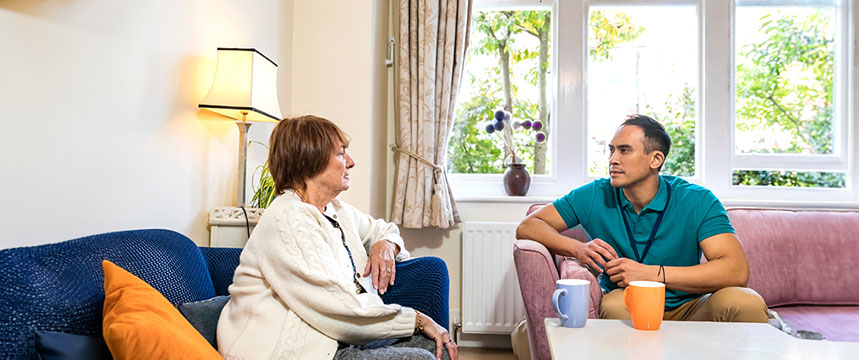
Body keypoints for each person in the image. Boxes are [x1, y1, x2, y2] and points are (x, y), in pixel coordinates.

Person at [217, 115, 458, 360]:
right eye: (341, 154)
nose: (351, 163)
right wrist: (417, 319)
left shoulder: (335, 209)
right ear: (309, 161)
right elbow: (341, 310)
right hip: (306, 350)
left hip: (343, 337)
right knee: (422, 358)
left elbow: (383, 230)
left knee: (437, 348)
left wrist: (385, 245)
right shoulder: (288, 219)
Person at [516, 114, 768, 323]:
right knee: (614, 304)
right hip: (628, 301)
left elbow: (736, 270)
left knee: (745, 301)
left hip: (691, 306)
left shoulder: (697, 199)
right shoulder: (594, 194)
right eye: (612, 151)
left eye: (625, 151)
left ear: (655, 160)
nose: (613, 160)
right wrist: (578, 248)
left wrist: (651, 274)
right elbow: (529, 226)